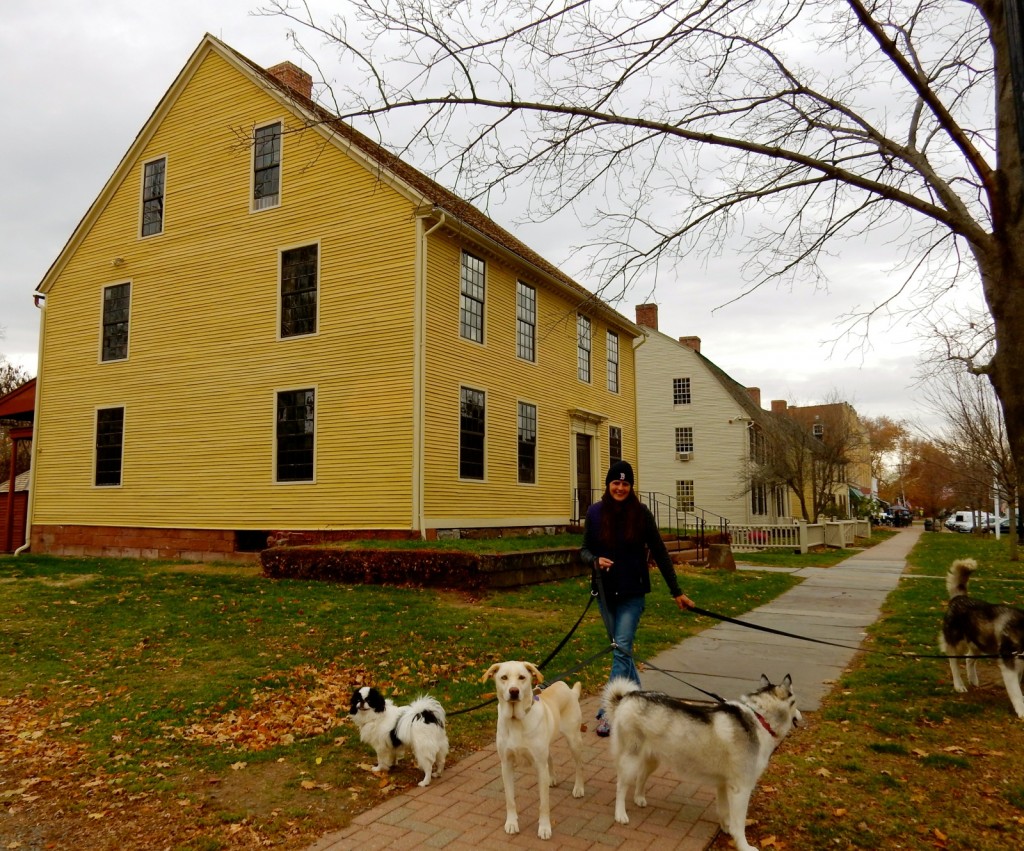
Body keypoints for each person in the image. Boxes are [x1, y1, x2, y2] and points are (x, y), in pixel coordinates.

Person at [580, 460, 694, 736]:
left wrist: (676, 591)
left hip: (632, 593)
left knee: (621, 648)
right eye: (616, 483)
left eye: (626, 483)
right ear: (609, 485)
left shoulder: (641, 514)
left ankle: (609, 711)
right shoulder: (595, 513)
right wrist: (595, 561)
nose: (620, 487)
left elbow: (661, 553)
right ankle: (642, 702)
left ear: (631, 487)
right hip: (605, 594)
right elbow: (583, 551)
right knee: (623, 650)